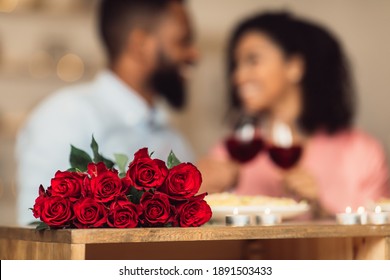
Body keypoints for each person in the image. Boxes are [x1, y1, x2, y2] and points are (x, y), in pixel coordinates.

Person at [16, 0, 198, 225]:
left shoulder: (173, 137)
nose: (194, 54)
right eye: (183, 41)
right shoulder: (65, 116)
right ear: (140, 45)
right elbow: (38, 236)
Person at [198, 12, 389, 216]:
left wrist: (319, 209)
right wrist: (198, 193)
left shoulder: (361, 153)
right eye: (236, 65)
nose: (238, 77)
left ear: (294, 66)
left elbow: (378, 239)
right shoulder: (227, 155)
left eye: (253, 60)